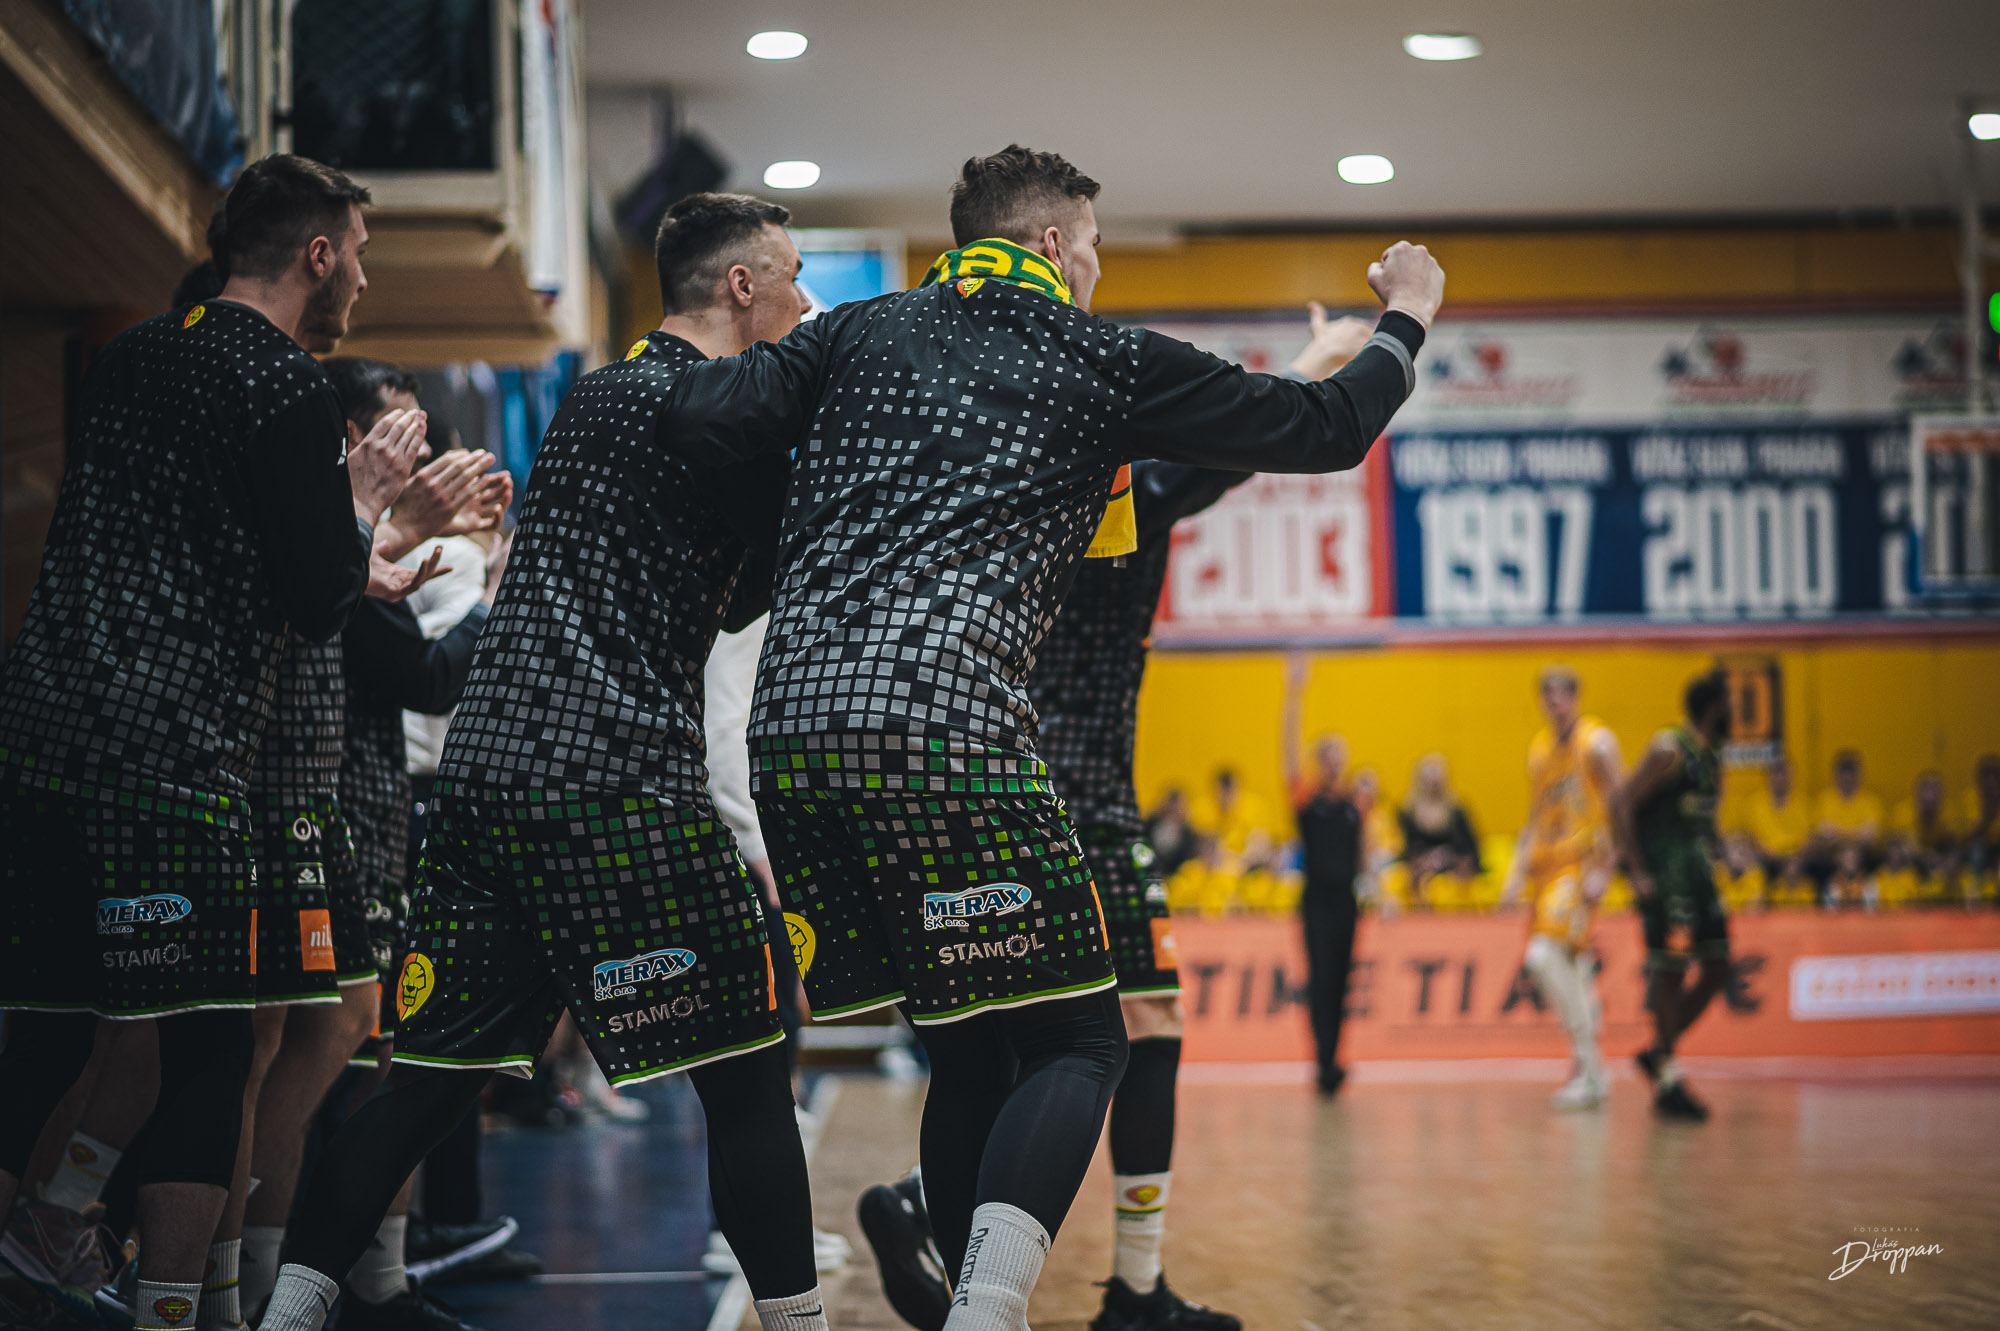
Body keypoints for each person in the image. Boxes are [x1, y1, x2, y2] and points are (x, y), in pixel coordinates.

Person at [654, 143, 1443, 1331]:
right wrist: (1405, 316)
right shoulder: (1090, 356)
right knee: (1085, 1036)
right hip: (946, 728)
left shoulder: (856, 332)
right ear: (1050, 243)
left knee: (969, 1046)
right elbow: (1324, 426)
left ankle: (976, 1297)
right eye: (1093, 246)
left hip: (795, 736)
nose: (1095, 268)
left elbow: (692, 411)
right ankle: (993, 1307)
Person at [255, 191, 828, 1331]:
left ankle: (285, 1318)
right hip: (612, 777)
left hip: (488, 779)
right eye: (795, 277)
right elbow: (766, 578)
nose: (808, 302)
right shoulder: (711, 403)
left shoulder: (598, 395)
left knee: (420, 1085)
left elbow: (724, 586)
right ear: (742, 287)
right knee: (749, 1068)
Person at [0, 153, 433, 1331]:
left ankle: (53, 1226)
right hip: (172, 746)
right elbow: (314, 599)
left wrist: (348, 554)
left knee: (57, 1032)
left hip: (42, 727)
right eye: (359, 254)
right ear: (317, 255)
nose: (363, 280)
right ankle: (133, 1279)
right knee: (202, 1047)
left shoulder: (135, 352)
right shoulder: (285, 380)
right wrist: (360, 512)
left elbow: (196, 534)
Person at [1498, 667, 1624, 1111]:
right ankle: (1588, 1069)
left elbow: (1622, 808)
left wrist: (1607, 869)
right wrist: (1516, 871)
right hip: (1546, 871)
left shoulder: (1597, 743)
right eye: (1546, 695)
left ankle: (1590, 1067)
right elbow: (1535, 816)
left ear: (1575, 697)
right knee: (1576, 966)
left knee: (1543, 956)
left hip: (1580, 864)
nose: (1553, 703)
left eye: (1560, 694)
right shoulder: (1539, 751)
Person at [1612, 670, 1733, 1122]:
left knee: (1719, 964)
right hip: (1668, 882)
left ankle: (1659, 1051)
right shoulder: (1670, 748)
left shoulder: (1712, 755)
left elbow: (1703, 820)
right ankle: (1668, 1078)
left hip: (1699, 878)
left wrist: (1724, 850)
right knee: (1672, 969)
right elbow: (1621, 803)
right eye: (1728, 701)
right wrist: (1637, 870)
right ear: (1714, 705)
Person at [1291, 736, 1365, 1097]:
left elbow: (1362, 852)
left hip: (1346, 901)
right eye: (1328, 757)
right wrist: (1292, 705)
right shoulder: (1309, 804)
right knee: (1320, 980)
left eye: (1339, 756)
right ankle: (1322, 1061)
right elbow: (1289, 768)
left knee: (1340, 982)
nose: (1334, 763)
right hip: (1317, 901)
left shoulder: (1353, 807)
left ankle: (1334, 1058)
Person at [1398, 755, 1482, 902]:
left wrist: (1446, 857)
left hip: (1453, 868)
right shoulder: (1408, 812)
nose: (1432, 786)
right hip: (1421, 869)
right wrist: (1427, 859)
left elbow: (1470, 848)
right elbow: (1405, 849)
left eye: (1436, 783)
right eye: (1428, 782)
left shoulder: (1457, 811)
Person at [1727, 755, 1810, 899]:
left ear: (1791, 777)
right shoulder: (1755, 803)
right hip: (1763, 856)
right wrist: (1763, 850)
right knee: (1746, 859)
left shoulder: (1802, 802)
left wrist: (1792, 854)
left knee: (1803, 862)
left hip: (1793, 856)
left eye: (1785, 774)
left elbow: (1808, 836)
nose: (1781, 778)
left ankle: (1800, 900)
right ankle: (1753, 899)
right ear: (1769, 776)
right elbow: (1749, 834)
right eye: (1777, 773)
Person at [1808, 749, 1883, 905]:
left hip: (1862, 858)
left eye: (1851, 774)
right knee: (1816, 857)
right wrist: (1856, 834)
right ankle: (1829, 901)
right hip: (1831, 859)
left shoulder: (1870, 802)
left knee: (1863, 856)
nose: (1847, 778)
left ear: (1858, 775)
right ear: (1836, 776)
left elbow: (1870, 838)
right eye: (1843, 774)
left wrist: (1838, 834)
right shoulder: (1825, 800)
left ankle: (1866, 899)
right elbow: (1822, 836)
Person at [1887, 770, 1959, 886]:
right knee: (1898, 851)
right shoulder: (1903, 813)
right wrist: (1927, 856)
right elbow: (1906, 846)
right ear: (1917, 792)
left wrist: (1940, 860)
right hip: (1912, 862)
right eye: (1926, 789)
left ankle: (1946, 890)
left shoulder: (1949, 813)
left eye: (1935, 789)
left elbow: (1952, 845)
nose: (1930, 795)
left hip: (1937, 861)